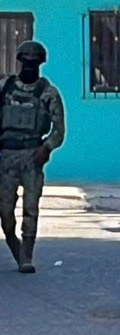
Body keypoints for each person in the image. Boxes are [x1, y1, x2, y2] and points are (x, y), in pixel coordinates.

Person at [0, 40, 65, 273]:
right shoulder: (5, 87)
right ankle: (14, 245)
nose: (29, 66)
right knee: (5, 211)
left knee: (31, 208)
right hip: (6, 156)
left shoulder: (48, 93)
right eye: (25, 61)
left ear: (40, 63)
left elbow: (59, 130)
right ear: (19, 61)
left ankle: (26, 255)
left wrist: (45, 148)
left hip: (32, 155)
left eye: (34, 62)